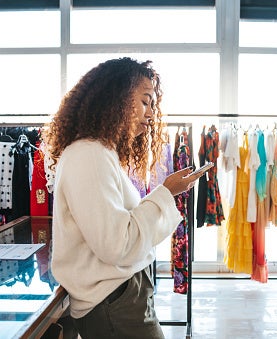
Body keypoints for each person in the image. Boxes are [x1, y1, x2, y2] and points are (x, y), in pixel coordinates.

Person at [43, 57, 202, 338]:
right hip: (114, 303)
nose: (151, 113)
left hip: (119, 297)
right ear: (115, 98)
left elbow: (115, 227)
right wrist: (165, 192)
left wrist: (167, 192)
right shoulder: (88, 155)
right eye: (145, 101)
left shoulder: (99, 153)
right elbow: (115, 244)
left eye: (152, 104)